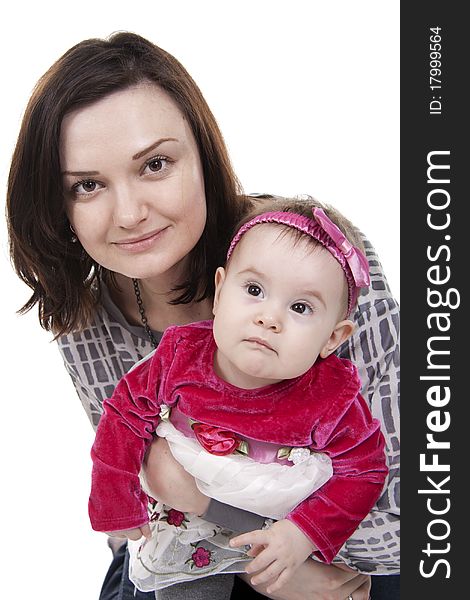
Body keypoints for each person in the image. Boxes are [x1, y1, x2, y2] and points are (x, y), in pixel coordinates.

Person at [6, 32, 399, 600]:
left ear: (203, 155)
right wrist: (234, 542)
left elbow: (414, 516)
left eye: (155, 164)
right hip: (201, 553)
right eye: (88, 185)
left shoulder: (317, 262)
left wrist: (269, 542)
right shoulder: (87, 322)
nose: (130, 213)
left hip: (345, 557)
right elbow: (139, 500)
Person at [88, 198, 388, 598]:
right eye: (254, 289)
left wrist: (302, 535)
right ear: (220, 289)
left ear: (333, 338)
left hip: (276, 525)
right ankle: (123, 553)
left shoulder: (331, 398)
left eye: (300, 307)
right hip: (185, 517)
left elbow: (365, 470)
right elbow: (123, 415)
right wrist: (113, 493)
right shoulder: (181, 357)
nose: (269, 317)